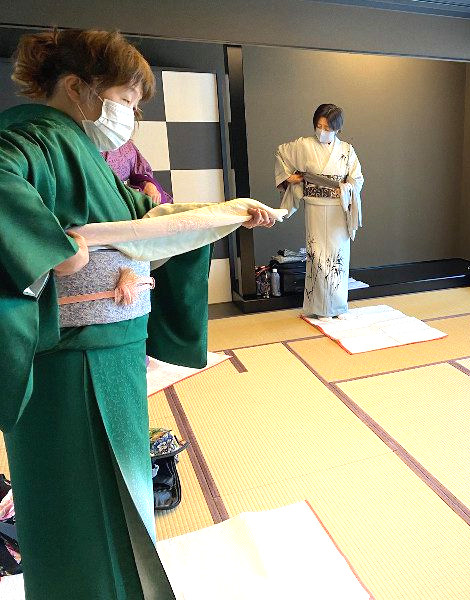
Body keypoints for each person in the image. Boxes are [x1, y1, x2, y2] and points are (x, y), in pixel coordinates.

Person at [0, 29, 274, 600]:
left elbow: (145, 222)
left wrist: (225, 212)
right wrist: (52, 246)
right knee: (82, 503)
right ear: (77, 87)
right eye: (125, 98)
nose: (130, 113)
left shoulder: (84, 152)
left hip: (111, 349)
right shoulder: (31, 139)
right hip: (71, 356)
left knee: (119, 491)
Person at [275, 104, 364, 319]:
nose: (322, 131)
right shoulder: (303, 145)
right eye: (319, 126)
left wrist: (348, 188)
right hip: (315, 206)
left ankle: (339, 306)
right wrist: (290, 178)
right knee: (318, 257)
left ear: (337, 128)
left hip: (338, 210)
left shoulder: (347, 150)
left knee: (338, 258)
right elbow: (281, 154)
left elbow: (357, 177)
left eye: (327, 128)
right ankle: (320, 308)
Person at [103, 139, 173, 204]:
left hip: (137, 197)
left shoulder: (126, 145)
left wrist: (148, 184)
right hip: (113, 202)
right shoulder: (96, 154)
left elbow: (140, 172)